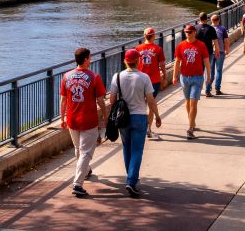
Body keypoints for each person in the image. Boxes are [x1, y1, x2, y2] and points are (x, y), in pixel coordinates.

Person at [109, 49, 162, 197]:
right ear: (138, 61)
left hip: (123, 118)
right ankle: (131, 181)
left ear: (125, 61)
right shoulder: (144, 77)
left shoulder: (117, 77)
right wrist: (157, 115)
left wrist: (111, 117)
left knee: (127, 148)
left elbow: (112, 99)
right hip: (139, 116)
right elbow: (151, 100)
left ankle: (131, 178)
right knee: (137, 150)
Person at [60, 48, 108, 197]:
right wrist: (106, 116)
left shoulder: (66, 76)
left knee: (78, 149)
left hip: (72, 119)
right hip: (88, 120)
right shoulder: (94, 77)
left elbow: (63, 100)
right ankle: (77, 183)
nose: (91, 60)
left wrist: (62, 118)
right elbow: (100, 100)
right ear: (86, 59)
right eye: (90, 58)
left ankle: (86, 171)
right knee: (86, 152)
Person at [172, 24, 210, 140]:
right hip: (184, 77)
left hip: (197, 77)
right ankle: (192, 122)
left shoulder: (201, 45)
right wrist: (174, 76)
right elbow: (177, 62)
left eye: (190, 32)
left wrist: (208, 75)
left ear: (195, 32)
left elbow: (206, 61)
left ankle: (190, 128)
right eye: (186, 32)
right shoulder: (181, 45)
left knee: (193, 102)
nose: (188, 34)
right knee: (188, 101)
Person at [135, 28, 166, 139]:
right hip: (154, 81)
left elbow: (133, 64)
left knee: (140, 105)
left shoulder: (138, 49)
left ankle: (140, 128)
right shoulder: (158, 49)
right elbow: (162, 64)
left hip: (139, 80)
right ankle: (148, 129)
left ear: (144, 36)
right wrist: (165, 77)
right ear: (154, 36)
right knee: (151, 105)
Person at [195, 12, 220, 97]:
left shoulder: (195, 28)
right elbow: (215, 41)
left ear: (199, 19)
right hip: (208, 52)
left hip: (198, 53)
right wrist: (217, 51)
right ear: (207, 19)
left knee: (199, 72)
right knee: (208, 72)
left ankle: (198, 90)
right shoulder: (211, 28)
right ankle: (207, 91)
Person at [208, 13, 230, 96]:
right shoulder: (222, 29)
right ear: (219, 20)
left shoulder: (208, 28)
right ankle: (217, 89)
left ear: (211, 20)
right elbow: (226, 40)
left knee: (210, 71)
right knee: (219, 70)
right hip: (220, 52)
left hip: (210, 52)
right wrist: (227, 49)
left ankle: (208, 86)